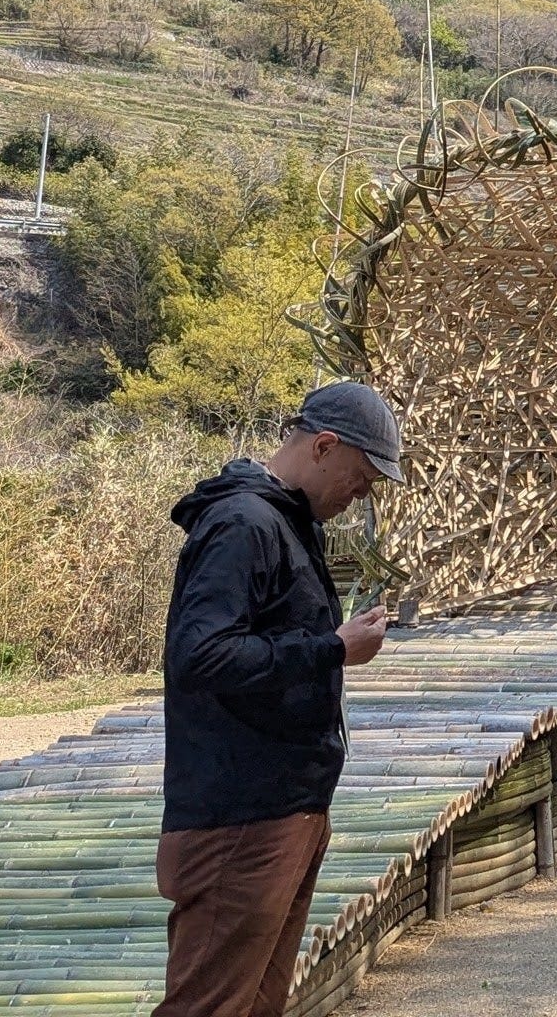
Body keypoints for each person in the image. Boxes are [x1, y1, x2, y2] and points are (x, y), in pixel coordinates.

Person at [156, 383, 404, 1017]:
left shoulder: (286, 522)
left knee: (257, 1003)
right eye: (363, 475)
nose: (363, 494)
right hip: (240, 815)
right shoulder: (243, 523)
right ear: (325, 446)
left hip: (283, 811)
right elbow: (201, 656)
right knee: (209, 1007)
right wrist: (331, 648)